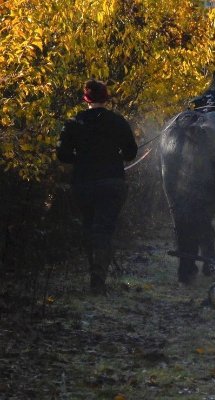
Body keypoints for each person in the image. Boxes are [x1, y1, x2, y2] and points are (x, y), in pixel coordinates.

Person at [56, 79, 138, 294]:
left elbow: (62, 154)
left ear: (86, 99)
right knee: (104, 230)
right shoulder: (118, 122)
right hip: (112, 183)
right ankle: (98, 279)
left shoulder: (74, 122)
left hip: (83, 184)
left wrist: (81, 158)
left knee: (89, 227)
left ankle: (95, 273)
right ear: (106, 98)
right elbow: (130, 153)